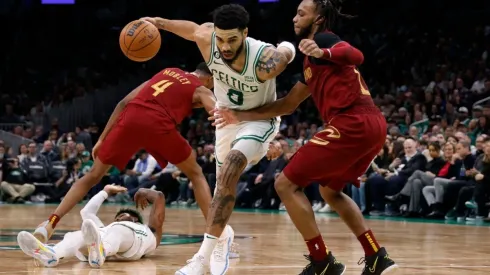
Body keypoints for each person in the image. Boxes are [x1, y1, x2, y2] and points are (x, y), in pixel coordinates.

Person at [212, 0, 398, 274]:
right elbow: (286, 105)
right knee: (330, 192)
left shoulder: (324, 41)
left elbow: (355, 55)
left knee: (285, 184)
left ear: (319, 18)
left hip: (352, 122)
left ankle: (321, 261)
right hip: (371, 125)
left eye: (301, 13)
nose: (294, 19)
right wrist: (238, 115)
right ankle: (376, 255)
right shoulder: (313, 61)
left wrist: (323, 50)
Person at [141, 4, 296, 275]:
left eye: (233, 40)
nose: (225, 46)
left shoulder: (264, 61)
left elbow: (285, 56)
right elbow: (191, 30)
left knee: (234, 165)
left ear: (245, 33)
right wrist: (158, 21)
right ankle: (224, 236)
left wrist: (286, 47)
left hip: (258, 119)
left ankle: (203, 257)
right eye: (221, 39)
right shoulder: (208, 39)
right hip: (227, 122)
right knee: (220, 188)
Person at [33, 63, 216, 250]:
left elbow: (123, 102)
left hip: (131, 118)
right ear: (210, 78)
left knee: (92, 176)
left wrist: (102, 139)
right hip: (157, 124)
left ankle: (50, 224)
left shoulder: (166, 72)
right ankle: (217, 238)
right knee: (196, 174)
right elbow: (217, 113)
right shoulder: (201, 89)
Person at [18, 185, 165, 268]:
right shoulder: (103, 229)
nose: (120, 218)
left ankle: (101, 250)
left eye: (125, 216)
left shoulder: (150, 231)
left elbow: (159, 197)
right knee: (77, 234)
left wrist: (141, 191)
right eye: (118, 217)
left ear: (136, 220)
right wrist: (105, 191)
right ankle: (53, 254)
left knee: (118, 230)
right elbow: (86, 212)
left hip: (132, 246)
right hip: (101, 243)